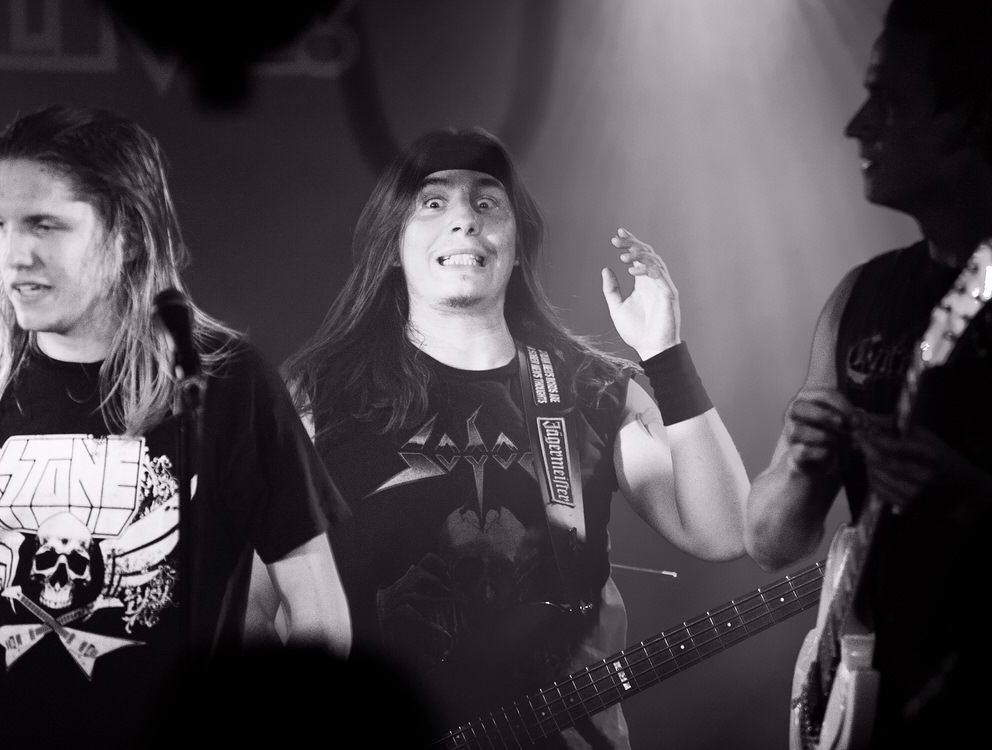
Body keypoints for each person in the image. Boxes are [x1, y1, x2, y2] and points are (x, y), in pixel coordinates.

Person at [246, 127, 750, 748]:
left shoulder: (594, 390)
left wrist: (664, 355)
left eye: (487, 202)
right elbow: (249, 608)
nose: (465, 219)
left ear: (516, 245)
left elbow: (724, 532)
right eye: (433, 202)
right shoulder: (315, 401)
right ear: (393, 243)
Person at [0, 104, 351, 750]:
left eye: (45, 225)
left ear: (127, 235)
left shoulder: (228, 386)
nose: (14, 255)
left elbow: (318, 609)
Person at [743, 1, 992, 747]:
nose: (857, 125)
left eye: (889, 99)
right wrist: (799, 462)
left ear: (976, 118)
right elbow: (770, 541)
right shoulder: (861, 295)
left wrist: (976, 506)